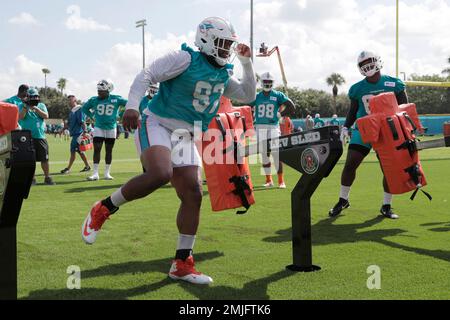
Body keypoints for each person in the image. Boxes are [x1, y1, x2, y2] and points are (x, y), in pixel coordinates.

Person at [81, 17, 256, 285]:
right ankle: (103, 208)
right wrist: (131, 105)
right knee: (161, 173)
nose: (226, 50)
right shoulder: (185, 58)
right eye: (222, 44)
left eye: (228, 45)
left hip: (186, 134)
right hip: (157, 123)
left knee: (193, 194)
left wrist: (246, 62)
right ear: (206, 40)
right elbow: (147, 74)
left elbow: (247, 94)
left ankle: (182, 263)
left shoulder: (223, 73)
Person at [329, 51, 408, 220]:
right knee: (350, 164)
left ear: (378, 61)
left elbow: (404, 109)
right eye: (363, 63)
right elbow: (353, 110)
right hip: (364, 129)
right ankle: (343, 200)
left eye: (369, 61)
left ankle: (386, 205)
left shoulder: (394, 84)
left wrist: (407, 129)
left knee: (387, 169)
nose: (367, 65)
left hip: (387, 131)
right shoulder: (357, 88)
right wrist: (345, 127)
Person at [250, 72, 295, 189]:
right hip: (260, 127)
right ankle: (269, 180)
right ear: (262, 82)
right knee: (264, 154)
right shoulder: (256, 96)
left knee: (276, 153)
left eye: (269, 82)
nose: (267, 84)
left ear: (272, 83)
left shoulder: (277, 95)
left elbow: (291, 106)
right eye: (266, 82)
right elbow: (246, 106)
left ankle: (281, 181)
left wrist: (281, 114)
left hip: (273, 127)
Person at [82, 80, 127, 181]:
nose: (98, 92)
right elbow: (84, 108)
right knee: (97, 149)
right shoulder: (94, 99)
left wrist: (120, 115)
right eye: (98, 90)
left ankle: (107, 173)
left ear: (107, 90)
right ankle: (95, 173)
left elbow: (129, 104)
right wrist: (91, 116)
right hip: (99, 127)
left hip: (111, 127)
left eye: (101, 91)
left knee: (109, 150)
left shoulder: (116, 98)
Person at [19, 87, 55, 185]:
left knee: (44, 158)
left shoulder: (41, 105)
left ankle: (47, 177)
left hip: (40, 136)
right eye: (32, 97)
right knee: (31, 160)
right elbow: (20, 117)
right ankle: (32, 179)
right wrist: (26, 107)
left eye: (36, 96)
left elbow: (46, 116)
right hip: (27, 136)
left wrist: (36, 108)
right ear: (28, 97)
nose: (34, 99)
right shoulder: (21, 105)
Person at [61, 95, 91, 174]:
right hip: (75, 134)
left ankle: (68, 168)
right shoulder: (72, 111)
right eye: (68, 100)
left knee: (73, 151)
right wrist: (63, 128)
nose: (69, 102)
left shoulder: (79, 109)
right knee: (80, 151)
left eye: (70, 100)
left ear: (75, 100)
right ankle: (87, 166)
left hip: (78, 134)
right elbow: (70, 123)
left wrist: (85, 131)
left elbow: (82, 121)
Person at [135, 84, 159, 160]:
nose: (153, 90)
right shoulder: (141, 100)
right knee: (144, 150)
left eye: (155, 88)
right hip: (143, 128)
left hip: (157, 128)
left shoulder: (160, 100)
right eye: (152, 88)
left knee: (157, 150)